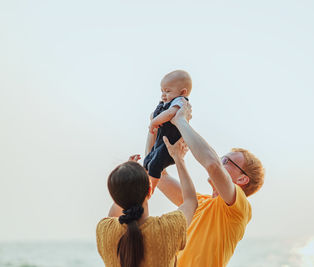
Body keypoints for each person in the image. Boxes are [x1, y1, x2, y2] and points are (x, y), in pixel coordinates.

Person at [156, 101, 265, 267]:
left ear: (242, 179)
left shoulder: (239, 208)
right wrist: (157, 126)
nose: (220, 163)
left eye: (226, 161)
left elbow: (212, 165)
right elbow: (157, 175)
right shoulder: (199, 203)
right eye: (221, 159)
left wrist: (181, 121)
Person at [96, 138, 198, 267]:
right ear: (150, 189)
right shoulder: (167, 229)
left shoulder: (104, 229)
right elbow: (191, 201)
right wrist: (179, 159)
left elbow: (115, 212)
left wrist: (127, 178)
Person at [143, 70, 192, 191]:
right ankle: (145, 183)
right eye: (162, 91)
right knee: (147, 161)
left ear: (182, 92)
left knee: (155, 165)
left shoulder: (180, 102)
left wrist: (154, 122)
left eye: (168, 91)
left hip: (170, 146)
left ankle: (151, 189)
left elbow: (170, 113)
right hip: (161, 142)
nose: (163, 95)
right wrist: (154, 117)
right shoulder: (166, 102)